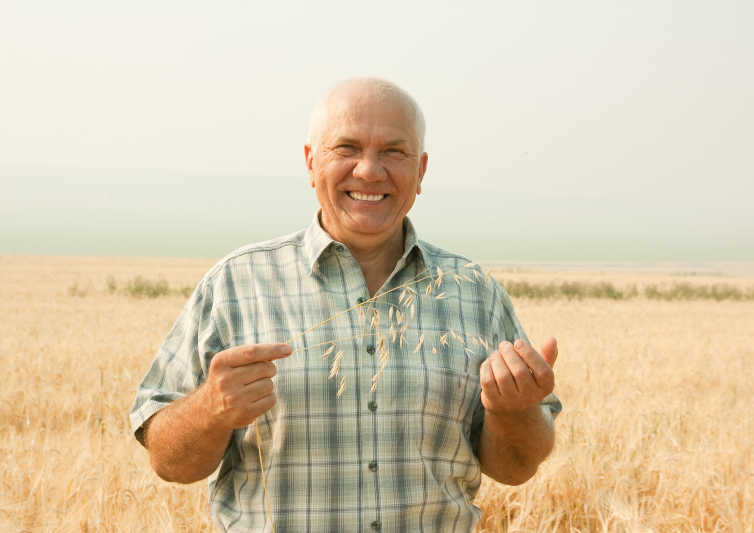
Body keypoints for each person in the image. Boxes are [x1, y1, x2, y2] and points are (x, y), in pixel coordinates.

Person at [130, 77, 562, 532]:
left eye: (394, 152)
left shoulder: (475, 294)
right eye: (347, 148)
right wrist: (211, 409)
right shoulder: (236, 284)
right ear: (311, 162)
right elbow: (169, 463)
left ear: (422, 171)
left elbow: (515, 469)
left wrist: (514, 411)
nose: (370, 171)